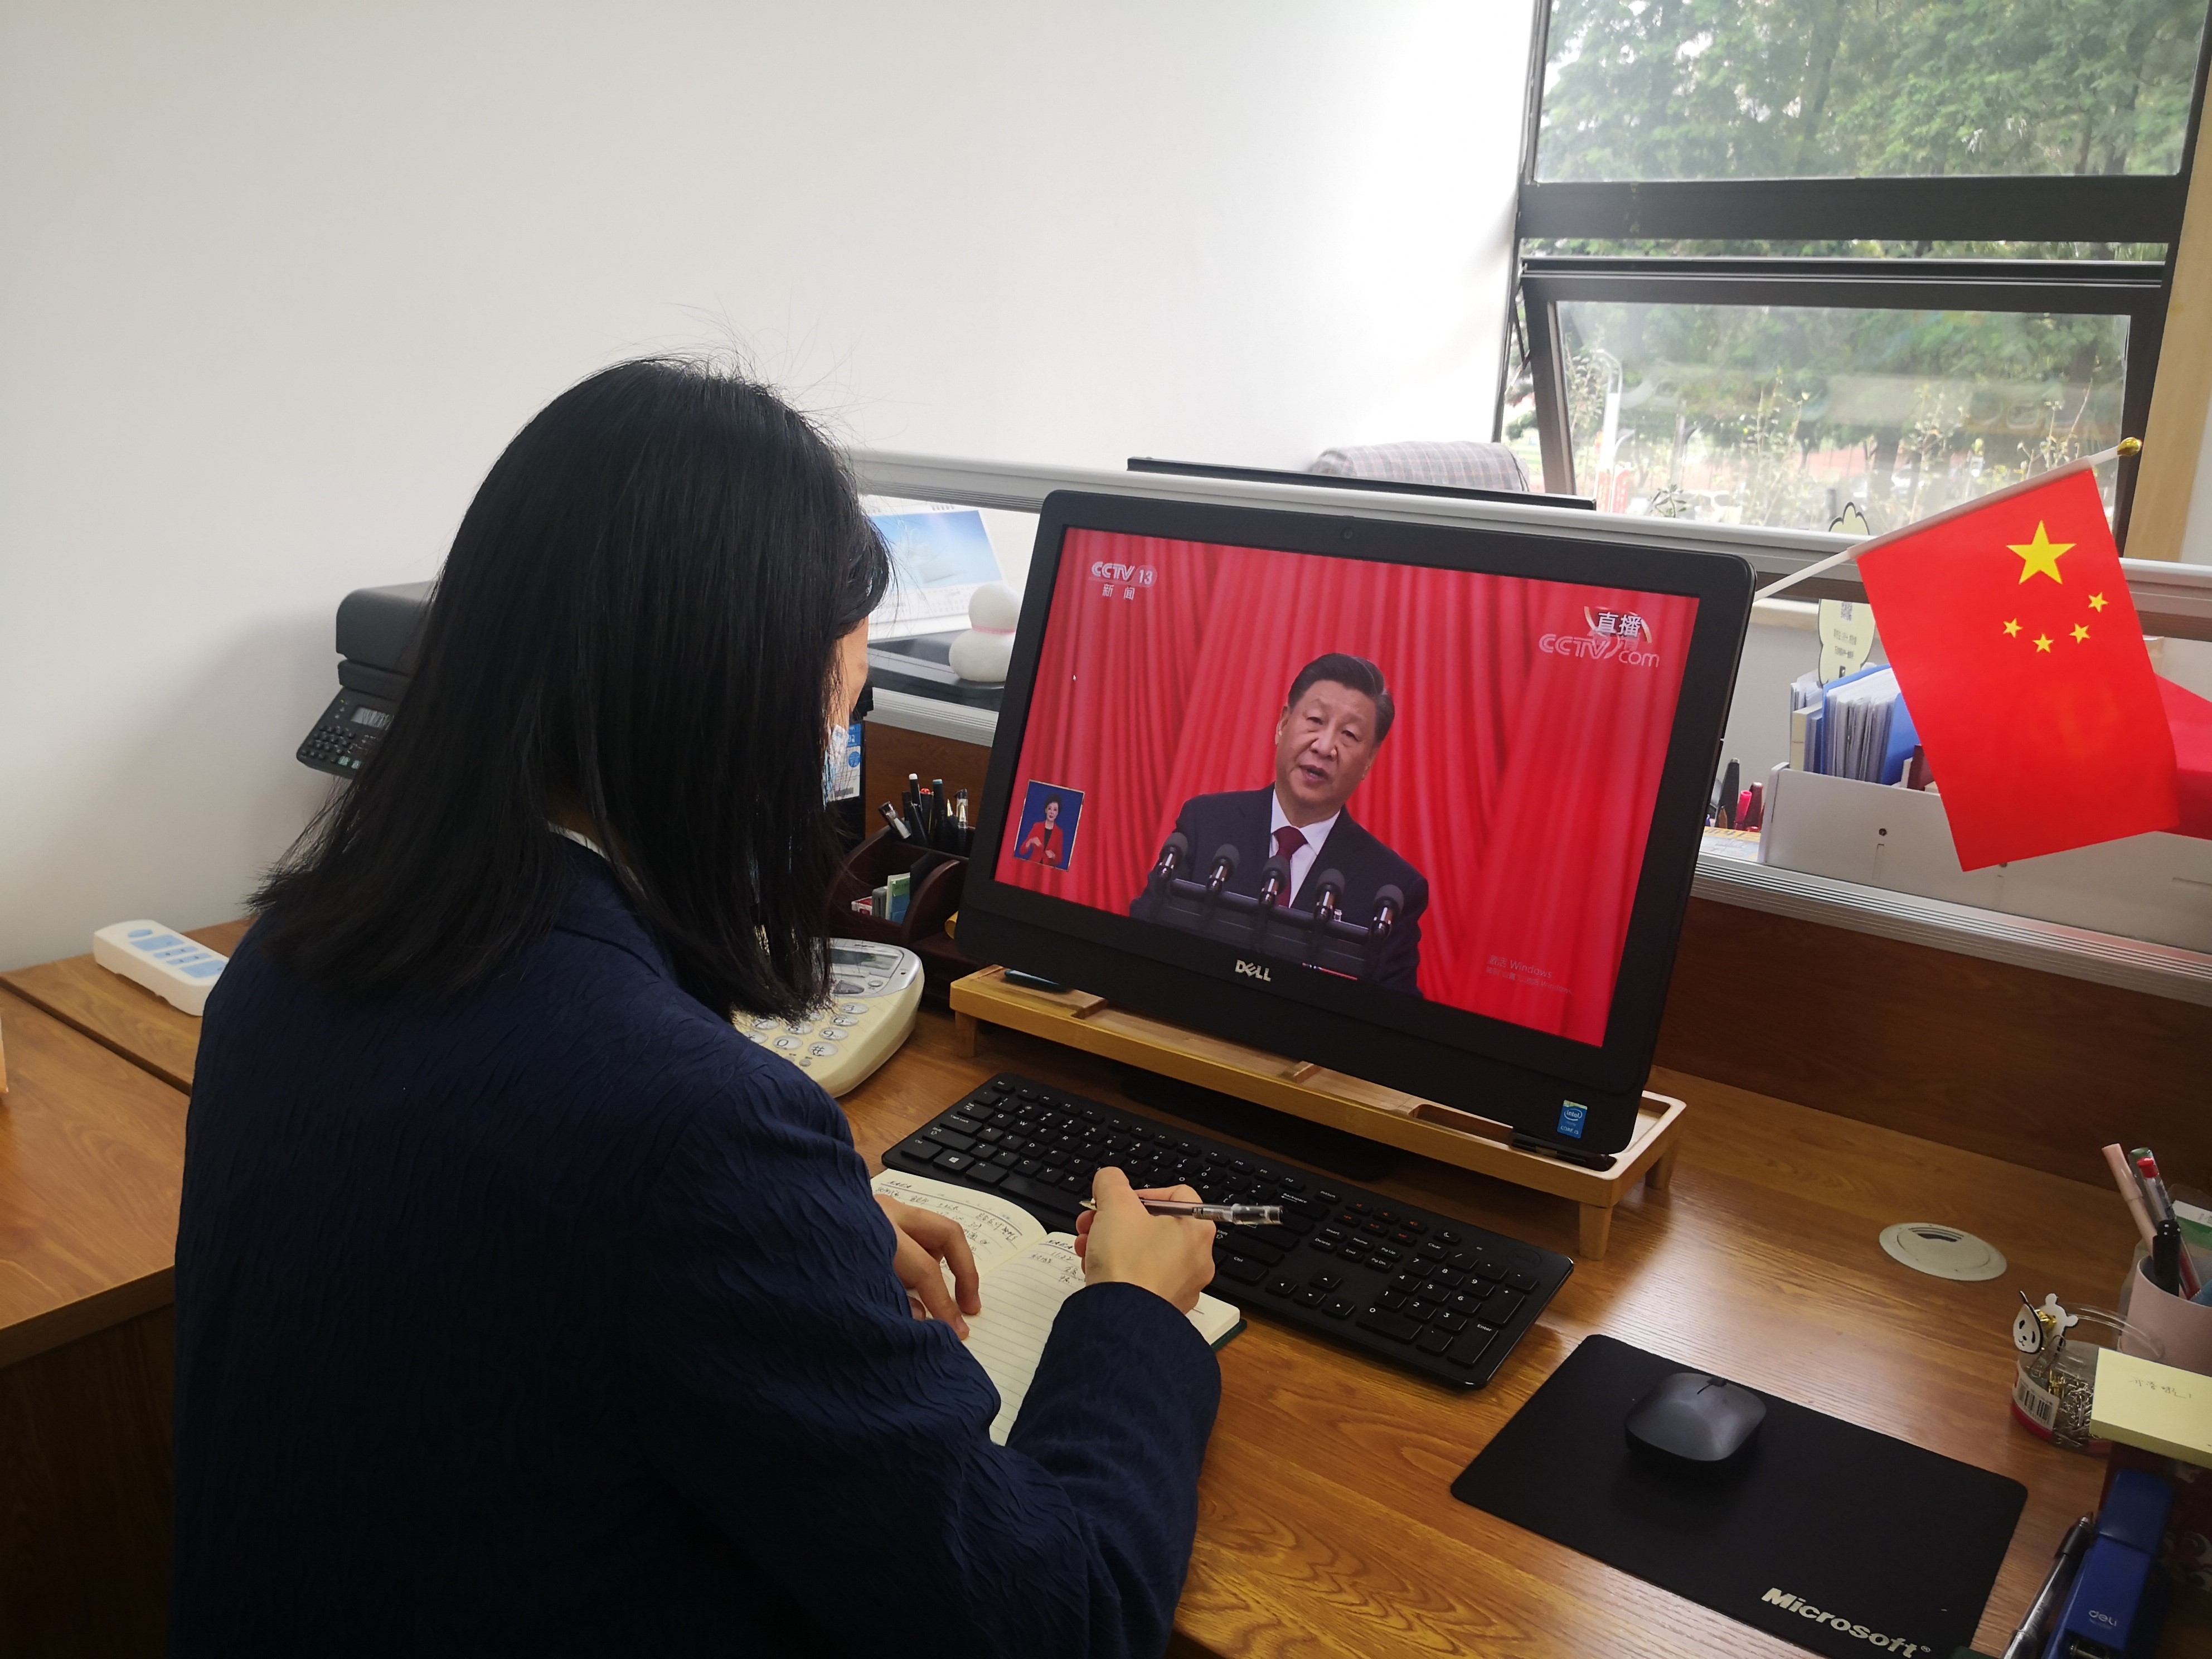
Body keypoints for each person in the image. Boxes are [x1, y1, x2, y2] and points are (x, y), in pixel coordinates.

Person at [170, 359, 1222, 1656]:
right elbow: (1060, 1618)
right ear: (741, 715)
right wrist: (1131, 1314)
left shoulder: (285, 961)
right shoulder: (686, 1133)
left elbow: (509, 1242)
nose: (836, 745)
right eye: (842, 704)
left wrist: (790, 1248)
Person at [1130, 653, 1428, 994]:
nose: (1325, 746)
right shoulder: (1204, 825)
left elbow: (1390, 1016)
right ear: (1283, 724)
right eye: (1315, 720)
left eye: (1349, 734)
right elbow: (1140, 946)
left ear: (1369, 760)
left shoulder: (1391, 890)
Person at [1017, 793, 1066, 864]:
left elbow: (1060, 860)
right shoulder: (1037, 827)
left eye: (1055, 810)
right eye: (1050, 809)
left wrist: (1053, 856)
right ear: (1046, 810)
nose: (1052, 812)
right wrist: (1031, 841)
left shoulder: (1059, 833)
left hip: (1046, 869)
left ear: (1058, 813)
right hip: (1033, 865)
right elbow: (1022, 851)